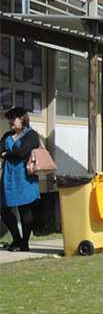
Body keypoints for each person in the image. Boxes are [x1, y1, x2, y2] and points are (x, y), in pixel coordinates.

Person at [1, 106, 42, 252]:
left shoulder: (31, 135)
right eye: (9, 119)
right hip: (8, 176)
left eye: (13, 118)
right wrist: (7, 153)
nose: (10, 122)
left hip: (24, 176)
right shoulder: (7, 135)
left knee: (25, 210)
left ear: (22, 119)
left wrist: (6, 154)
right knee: (4, 209)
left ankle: (24, 243)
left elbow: (23, 152)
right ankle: (16, 239)